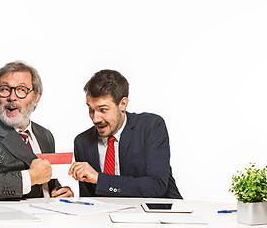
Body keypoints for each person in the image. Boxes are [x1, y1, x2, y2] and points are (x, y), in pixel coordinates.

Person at [0, 61, 73, 200]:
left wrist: (58, 191)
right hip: (7, 220)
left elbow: (45, 178)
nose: (12, 97)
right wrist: (29, 177)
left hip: (48, 218)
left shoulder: (45, 135)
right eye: (5, 89)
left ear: (36, 98)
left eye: (21, 90)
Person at [68, 69, 182, 198]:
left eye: (103, 110)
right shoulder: (82, 142)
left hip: (157, 213)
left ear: (123, 104)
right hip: (106, 216)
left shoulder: (151, 126)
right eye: (91, 109)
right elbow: (90, 199)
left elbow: (156, 187)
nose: (95, 119)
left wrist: (100, 179)